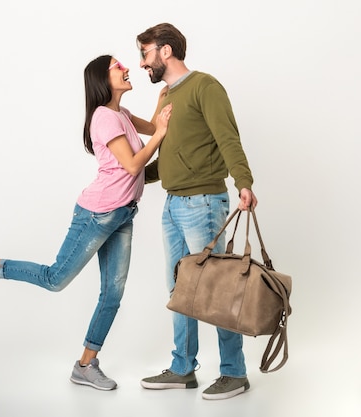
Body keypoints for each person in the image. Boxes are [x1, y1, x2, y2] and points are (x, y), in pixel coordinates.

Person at [0, 54, 172, 391]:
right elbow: (133, 164)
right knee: (56, 278)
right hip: (97, 214)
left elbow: (156, 126)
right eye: (118, 67)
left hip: (124, 213)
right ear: (102, 77)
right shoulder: (103, 118)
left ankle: (85, 365)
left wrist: (162, 99)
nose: (127, 69)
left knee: (113, 294)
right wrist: (160, 135)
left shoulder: (122, 114)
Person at [135, 23, 259, 400]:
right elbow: (170, 155)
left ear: (166, 51)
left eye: (145, 53)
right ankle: (182, 368)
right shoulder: (167, 96)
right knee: (179, 290)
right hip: (173, 205)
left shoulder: (205, 86)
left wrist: (244, 183)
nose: (142, 63)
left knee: (216, 291)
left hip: (203, 204)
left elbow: (227, 137)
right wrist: (132, 173)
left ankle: (234, 373)